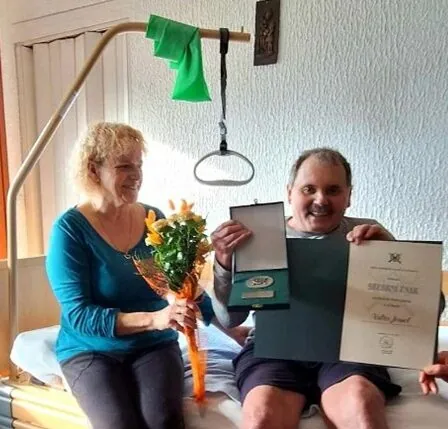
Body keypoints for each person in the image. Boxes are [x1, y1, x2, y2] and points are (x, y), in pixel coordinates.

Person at [210, 147, 405, 429]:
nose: (321, 200)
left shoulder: (371, 235)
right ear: (290, 192)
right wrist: (223, 263)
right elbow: (231, 319)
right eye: (309, 189)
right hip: (274, 349)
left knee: (361, 406)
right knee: (262, 415)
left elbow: (426, 312)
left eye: (333, 190)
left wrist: (395, 258)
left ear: (349, 196)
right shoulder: (258, 237)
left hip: (346, 348)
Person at [46, 122, 216, 429]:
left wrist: (223, 324)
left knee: (163, 420)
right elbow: (80, 315)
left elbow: (175, 284)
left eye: (139, 165)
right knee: (119, 424)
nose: (136, 175)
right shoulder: (70, 230)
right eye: (124, 166)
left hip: (153, 345)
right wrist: (155, 319)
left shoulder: (153, 220)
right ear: (94, 170)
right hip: (91, 349)